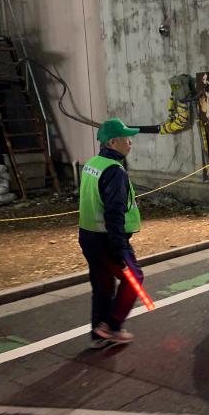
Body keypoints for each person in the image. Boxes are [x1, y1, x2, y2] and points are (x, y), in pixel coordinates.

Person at [79, 118, 143, 346]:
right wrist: (119, 249)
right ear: (113, 142)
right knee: (134, 277)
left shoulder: (91, 164)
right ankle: (113, 326)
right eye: (127, 138)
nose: (130, 143)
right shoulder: (115, 172)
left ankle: (98, 333)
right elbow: (114, 212)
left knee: (103, 285)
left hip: (87, 236)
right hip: (107, 239)